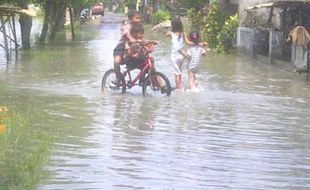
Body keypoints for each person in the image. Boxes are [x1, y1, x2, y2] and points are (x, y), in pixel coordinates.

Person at [165, 17, 195, 90]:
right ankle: (180, 86)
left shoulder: (171, 33)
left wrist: (169, 29)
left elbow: (165, 34)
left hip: (174, 56)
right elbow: (188, 43)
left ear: (173, 26)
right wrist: (196, 43)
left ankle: (178, 89)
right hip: (182, 56)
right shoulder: (183, 33)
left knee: (177, 74)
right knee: (180, 72)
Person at [113, 11, 141, 80]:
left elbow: (142, 37)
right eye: (137, 18)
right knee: (117, 62)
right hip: (122, 46)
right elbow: (126, 33)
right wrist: (131, 38)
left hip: (133, 47)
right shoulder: (127, 26)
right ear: (131, 19)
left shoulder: (139, 27)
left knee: (147, 63)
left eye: (139, 18)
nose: (139, 20)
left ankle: (162, 85)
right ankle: (118, 78)